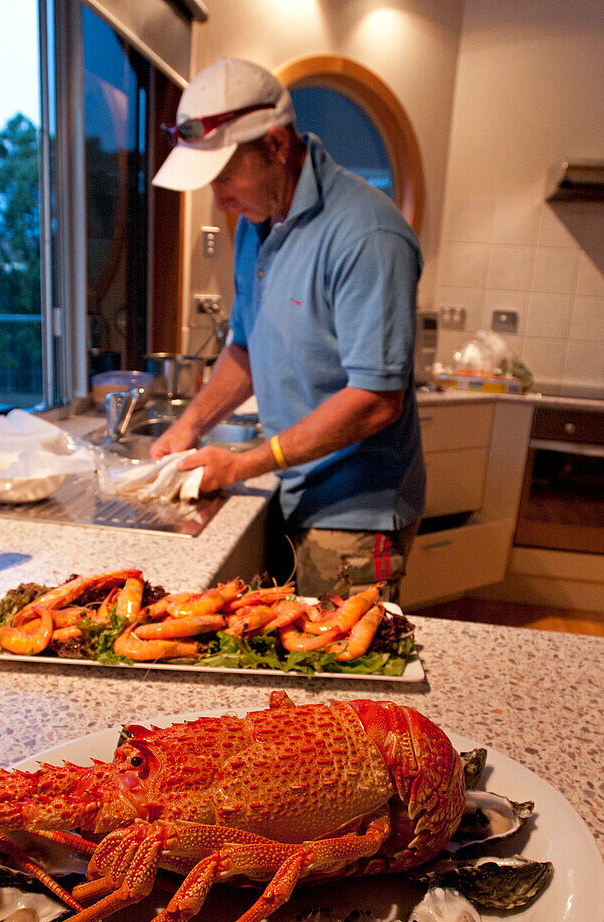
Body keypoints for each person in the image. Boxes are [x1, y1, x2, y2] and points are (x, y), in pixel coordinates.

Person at [151, 56, 425, 602]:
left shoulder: (367, 235)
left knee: (336, 669)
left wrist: (243, 463)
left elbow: (375, 401)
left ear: (277, 146)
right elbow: (247, 350)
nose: (219, 197)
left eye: (226, 176)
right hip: (296, 486)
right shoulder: (258, 225)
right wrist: (191, 425)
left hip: (355, 512)